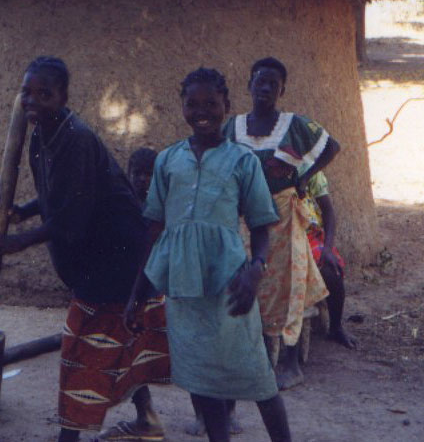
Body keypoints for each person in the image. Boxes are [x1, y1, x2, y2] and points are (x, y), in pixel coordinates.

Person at [0, 57, 170, 442]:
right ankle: (146, 418)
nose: (32, 101)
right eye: (27, 93)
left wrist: (15, 243)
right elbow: (60, 192)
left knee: (81, 347)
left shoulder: (77, 138)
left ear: (63, 97)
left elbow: (73, 218)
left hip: (117, 255)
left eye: (44, 94)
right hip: (98, 255)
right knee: (118, 340)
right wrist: (25, 211)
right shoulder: (41, 133)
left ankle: (70, 436)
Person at [127, 67, 291, 442]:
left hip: (229, 283)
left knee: (258, 374)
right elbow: (155, 231)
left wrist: (255, 269)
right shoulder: (168, 161)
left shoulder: (243, 161)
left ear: (227, 106)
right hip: (184, 288)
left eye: (211, 104)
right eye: (192, 104)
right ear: (182, 107)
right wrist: (139, 292)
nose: (202, 111)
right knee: (202, 378)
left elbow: (262, 226)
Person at [224, 56, 337, 389]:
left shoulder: (294, 125)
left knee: (288, 285)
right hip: (244, 217)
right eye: (260, 80)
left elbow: (332, 146)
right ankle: (254, 356)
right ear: (249, 85)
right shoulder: (233, 127)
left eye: (273, 83)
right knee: (249, 281)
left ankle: (290, 363)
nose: (265, 87)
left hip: (283, 216)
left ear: (282, 89)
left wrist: (304, 177)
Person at [303, 172, 357, 348]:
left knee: (331, 270)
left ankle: (335, 327)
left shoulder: (311, 172)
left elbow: (328, 212)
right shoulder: (270, 166)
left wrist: (327, 248)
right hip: (283, 234)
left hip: (311, 235)